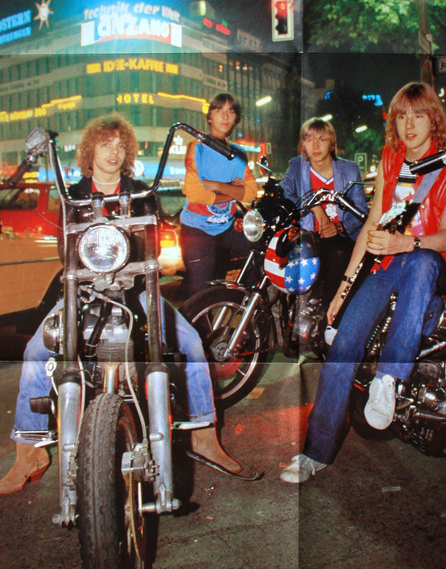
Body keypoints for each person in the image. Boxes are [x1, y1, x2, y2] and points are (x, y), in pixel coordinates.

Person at [0, 114, 242, 497]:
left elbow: (153, 247)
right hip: (84, 290)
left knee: (191, 343)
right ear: (90, 150)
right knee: (35, 350)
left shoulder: (142, 192)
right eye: (105, 144)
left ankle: (203, 435)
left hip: (135, 290)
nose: (113, 152)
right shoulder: (73, 194)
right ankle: (28, 453)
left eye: (120, 145)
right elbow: (66, 252)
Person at [280, 83, 446, 483]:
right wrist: (343, 291)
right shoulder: (392, 160)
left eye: (418, 116)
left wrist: (406, 242)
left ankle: (389, 378)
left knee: (421, 260)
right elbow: (373, 224)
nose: (409, 125)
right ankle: (315, 452)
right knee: (343, 347)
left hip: (437, 264)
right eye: (402, 116)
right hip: (389, 264)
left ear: (434, 120)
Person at [281, 117, 368, 306]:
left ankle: (330, 312)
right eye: (309, 139)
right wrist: (315, 208)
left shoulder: (350, 170)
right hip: (307, 234)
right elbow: (284, 194)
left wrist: (339, 227)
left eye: (322, 139)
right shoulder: (296, 167)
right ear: (303, 145)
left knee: (338, 254)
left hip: (340, 236)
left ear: (332, 144)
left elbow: (360, 210)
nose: (315, 145)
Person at [179, 93, 257, 296]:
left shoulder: (238, 153)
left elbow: (251, 192)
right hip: (196, 230)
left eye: (231, 112)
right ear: (209, 117)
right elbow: (195, 194)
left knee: (262, 250)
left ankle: (245, 304)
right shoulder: (197, 148)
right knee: (201, 293)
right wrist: (233, 190)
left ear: (236, 118)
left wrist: (214, 185)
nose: (225, 116)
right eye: (219, 110)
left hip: (226, 227)